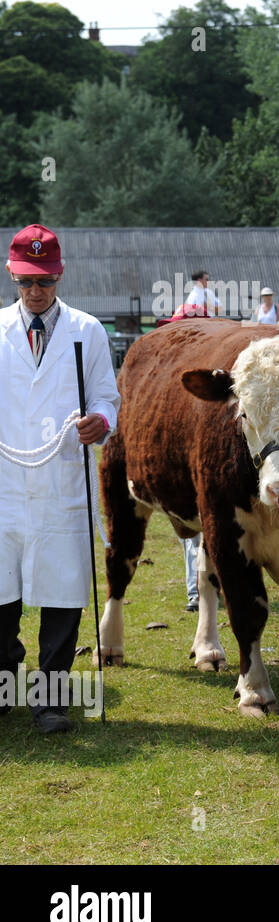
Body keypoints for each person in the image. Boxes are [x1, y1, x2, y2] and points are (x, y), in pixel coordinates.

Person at [0, 224, 120, 733]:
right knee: (1, 596)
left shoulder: (87, 331)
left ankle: (50, 700)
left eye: (44, 280)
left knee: (63, 593)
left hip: (61, 478)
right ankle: (4, 687)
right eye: (26, 280)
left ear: (59, 274)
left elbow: (106, 397)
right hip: (5, 482)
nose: (35, 291)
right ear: (12, 275)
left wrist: (101, 421)